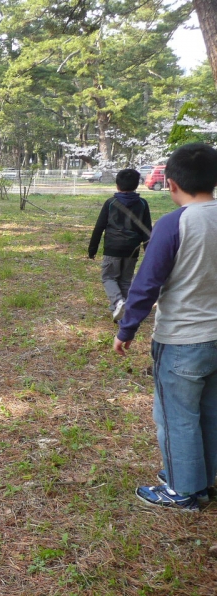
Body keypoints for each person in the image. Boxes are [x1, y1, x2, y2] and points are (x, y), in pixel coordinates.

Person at [114, 142, 217, 511]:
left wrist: (126, 329)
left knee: (176, 416)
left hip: (183, 340)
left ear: (171, 184)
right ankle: (202, 480)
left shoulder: (176, 222)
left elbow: (147, 283)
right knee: (208, 411)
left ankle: (183, 490)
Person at [88, 169, 152, 322]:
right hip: (132, 249)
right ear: (137, 185)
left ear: (117, 185)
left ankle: (118, 302)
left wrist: (92, 248)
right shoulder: (142, 204)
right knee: (124, 280)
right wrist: (148, 252)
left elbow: (99, 227)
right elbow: (147, 230)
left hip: (113, 248)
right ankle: (123, 317)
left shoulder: (110, 203)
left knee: (108, 277)